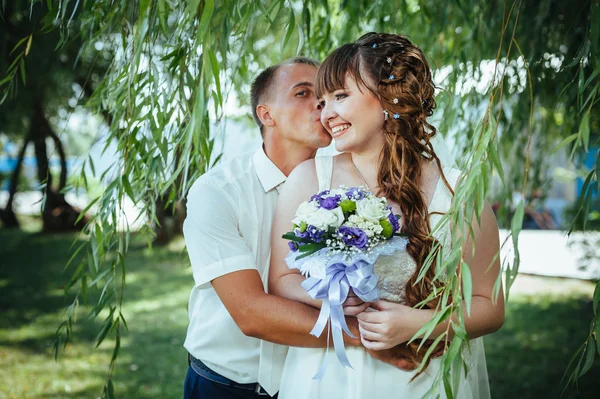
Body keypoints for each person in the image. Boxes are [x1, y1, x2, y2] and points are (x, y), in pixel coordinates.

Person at [269, 33, 505, 399]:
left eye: (340, 96)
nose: (326, 114)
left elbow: (490, 307)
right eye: (322, 101)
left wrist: (420, 324)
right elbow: (282, 278)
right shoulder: (309, 178)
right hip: (332, 376)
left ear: (388, 95)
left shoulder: (458, 190)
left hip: (423, 377)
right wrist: (331, 297)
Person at [182, 56, 418, 399]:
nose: (321, 106)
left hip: (312, 380)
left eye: (327, 97)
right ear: (266, 115)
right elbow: (250, 313)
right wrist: (368, 338)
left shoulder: (346, 184)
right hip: (226, 385)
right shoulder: (216, 193)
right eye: (303, 93)